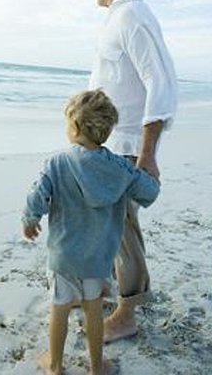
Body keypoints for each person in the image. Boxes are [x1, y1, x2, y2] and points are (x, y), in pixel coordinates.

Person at [22, 89, 160, 375]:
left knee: (59, 309)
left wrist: (30, 220)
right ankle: (97, 368)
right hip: (97, 260)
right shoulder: (121, 169)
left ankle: (56, 366)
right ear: (106, 131)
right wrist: (151, 176)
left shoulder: (57, 163)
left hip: (63, 258)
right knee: (93, 310)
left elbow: (37, 197)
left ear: (73, 127)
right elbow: (149, 193)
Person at [86, 0, 178, 342]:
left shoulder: (132, 18)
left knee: (122, 228)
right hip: (109, 141)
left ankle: (128, 312)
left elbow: (160, 83)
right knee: (104, 221)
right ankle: (106, 291)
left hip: (126, 145)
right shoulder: (122, 16)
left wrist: (148, 153)